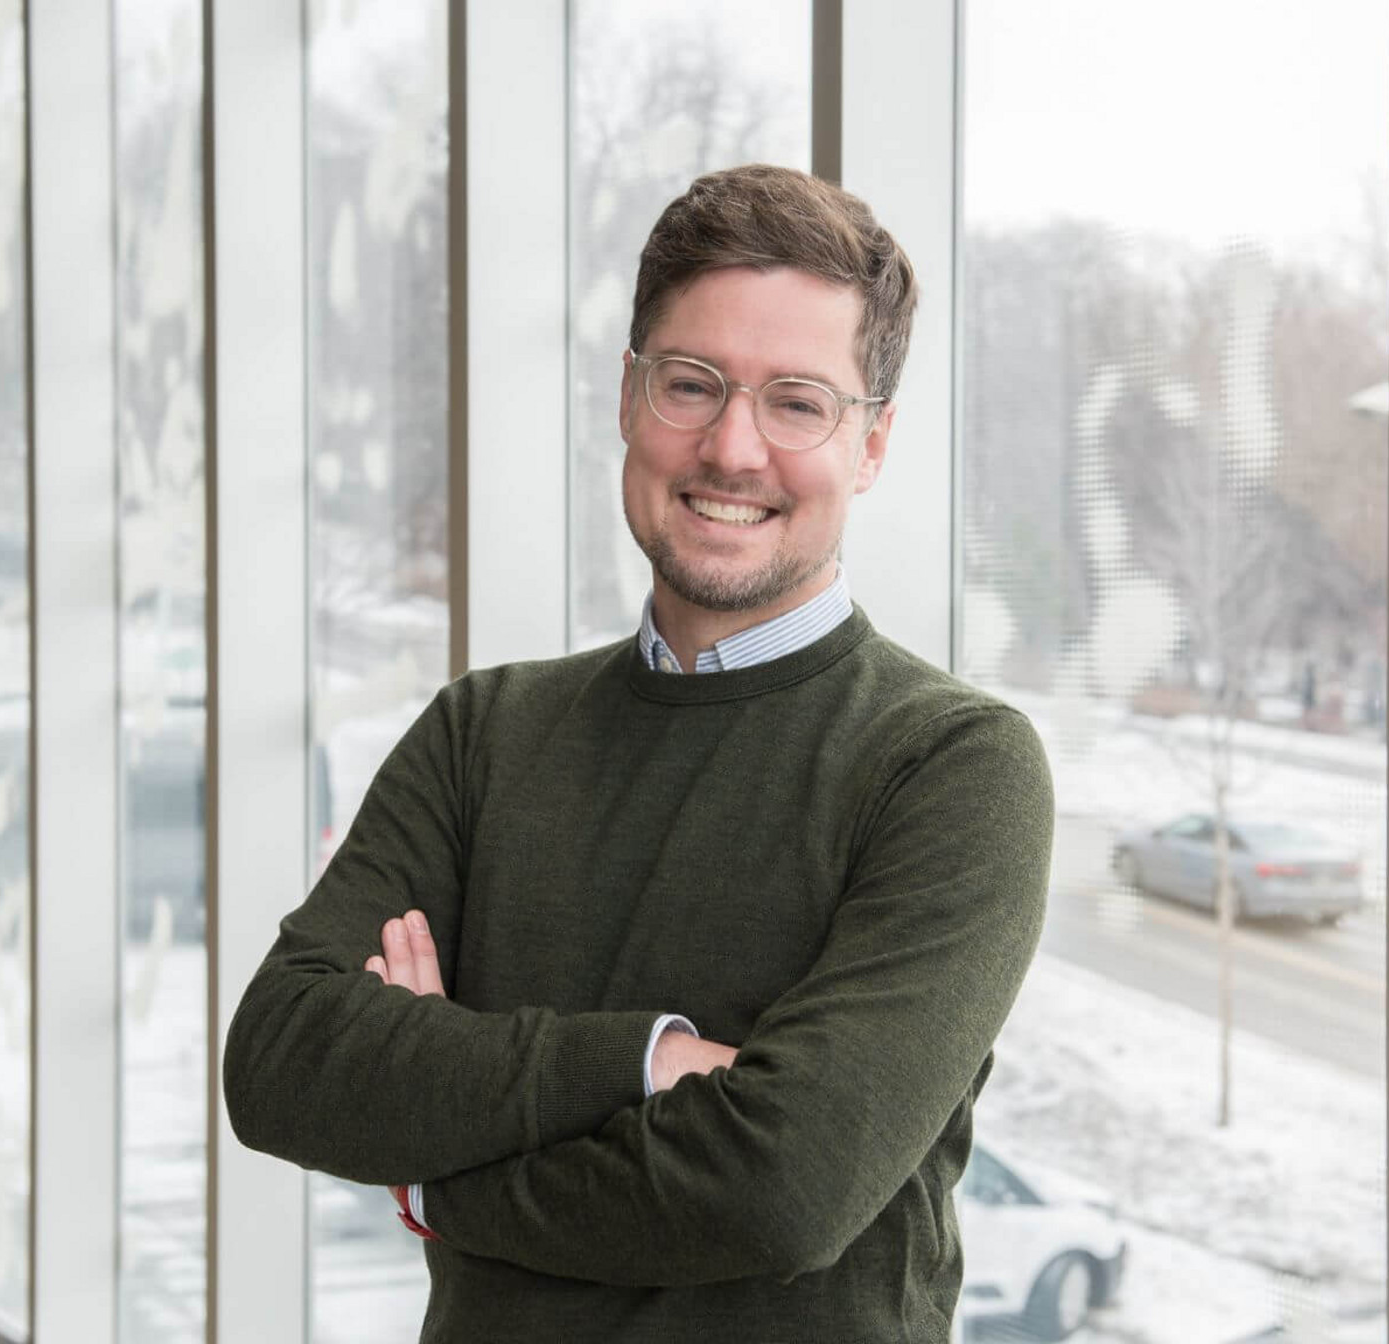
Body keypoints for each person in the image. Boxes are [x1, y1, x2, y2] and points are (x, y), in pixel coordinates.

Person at [224, 163, 1053, 1343]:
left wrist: (432, 1176)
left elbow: (779, 1190)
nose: (732, 447)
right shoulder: (483, 733)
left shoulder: (954, 767)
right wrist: (652, 1064)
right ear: (628, 398)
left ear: (868, 446)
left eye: (798, 403)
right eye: (691, 384)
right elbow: (283, 1063)